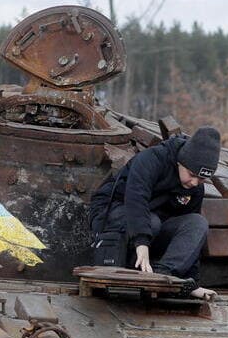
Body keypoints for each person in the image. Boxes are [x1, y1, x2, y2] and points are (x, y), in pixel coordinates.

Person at [89, 126, 220, 300]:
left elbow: (192, 241)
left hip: (150, 227)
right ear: (181, 161)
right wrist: (141, 242)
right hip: (113, 212)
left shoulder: (195, 189)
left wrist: (192, 283)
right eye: (192, 174)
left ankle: (162, 274)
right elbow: (136, 199)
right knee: (152, 222)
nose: (195, 182)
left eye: (202, 179)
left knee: (197, 223)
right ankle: (130, 267)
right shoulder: (152, 159)